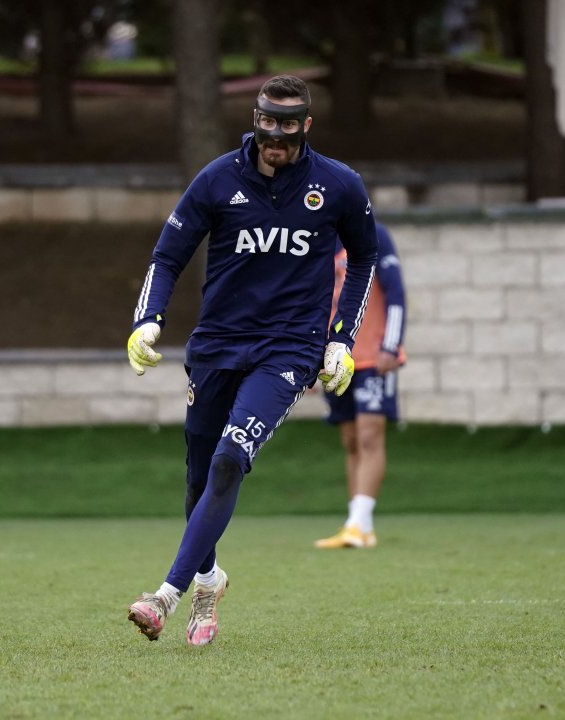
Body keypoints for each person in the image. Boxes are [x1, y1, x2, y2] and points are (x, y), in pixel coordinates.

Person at [125, 74, 378, 646]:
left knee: (229, 458)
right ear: (255, 120)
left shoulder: (338, 185)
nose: (275, 138)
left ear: (305, 126)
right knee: (198, 476)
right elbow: (167, 256)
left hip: (289, 349)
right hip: (217, 344)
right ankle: (208, 582)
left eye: (288, 127)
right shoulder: (217, 179)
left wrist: (341, 339)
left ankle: (165, 596)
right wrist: (147, 318)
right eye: (267, 124)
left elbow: (364, 257)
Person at [315, 224, 406, 549]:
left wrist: (391, 346)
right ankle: (358, 526)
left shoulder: (375, 234)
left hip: (373, 358)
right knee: (351, 439)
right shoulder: (321, 237)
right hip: (336, 358)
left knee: (369, 436)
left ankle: (359, 522)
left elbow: (396, 294)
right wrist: (310, 358)